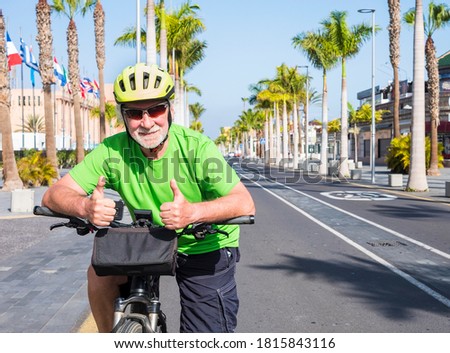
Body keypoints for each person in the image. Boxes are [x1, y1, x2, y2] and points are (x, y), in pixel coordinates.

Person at [41, 63, 255, 333]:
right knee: (99, 275)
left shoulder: (197, 147)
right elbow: (54, 194)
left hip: (204, 242)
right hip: (151, 238)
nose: (147, 122)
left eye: (155, 109)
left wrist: (192, 213)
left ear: (170, 111)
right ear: (123, 116)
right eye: (134, 113)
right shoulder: (112, 150)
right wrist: (84, 206)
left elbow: (243, 202)